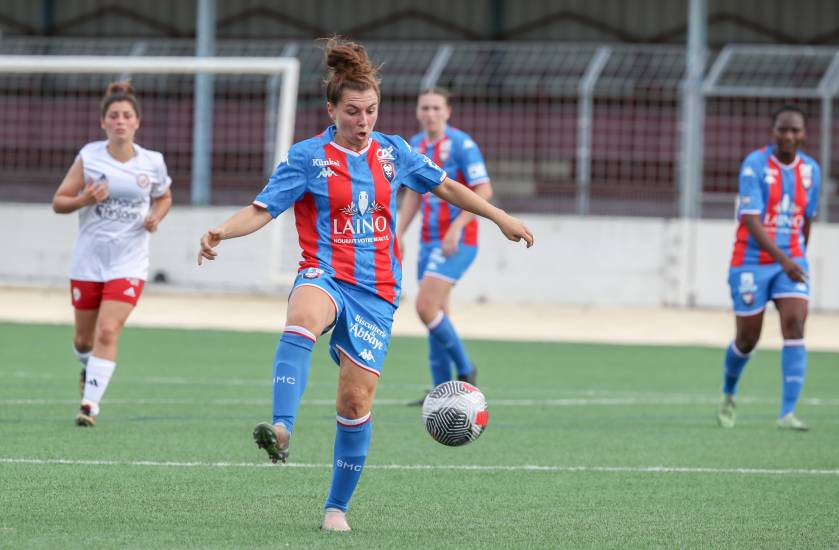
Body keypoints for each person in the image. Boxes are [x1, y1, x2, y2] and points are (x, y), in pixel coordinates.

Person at [197, 38, 533, 532]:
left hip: (376, 293)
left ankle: (336, 509)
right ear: (331, 109)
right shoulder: (308, 157)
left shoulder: (396, 152)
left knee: (355, 403)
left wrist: (500, 216)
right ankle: (283, 428)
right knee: (304, 318)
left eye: (371, 110)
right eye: (352, 111)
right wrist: (221, 230)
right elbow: (262, 210)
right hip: (326, 272)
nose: (363, 120)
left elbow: (447, 186)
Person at [52, 81, 173, 427]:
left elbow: (164, 197)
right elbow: (59, 202)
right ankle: (87, 366)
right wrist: (85, 199)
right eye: (114, 116)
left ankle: (89, 405)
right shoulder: (89, 157)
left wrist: (156, 216)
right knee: (83, 339)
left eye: (127, 115)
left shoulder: (153, 162)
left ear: (138, 121)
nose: (120, 121)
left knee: (108, 331)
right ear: (103, 122)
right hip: (89, 261)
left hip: (129, 261)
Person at [717, 105, 820, 431]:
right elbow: (750, 220)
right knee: (747, 339)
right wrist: (786, 259)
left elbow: (806, 221)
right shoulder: (755, 166)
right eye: (783, 130)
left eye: (795, 130)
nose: (789, 136)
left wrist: (798, 256)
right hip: (750, 262)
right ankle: (728, 394)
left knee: (794, 324)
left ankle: (787, 413)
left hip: (790, 262)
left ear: (804, 134)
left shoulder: (811, 171)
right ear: (773, 132)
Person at [397, 88, 492, 402]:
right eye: (425, 107)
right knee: (437, 315)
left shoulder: (462, 144)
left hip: (457, 241)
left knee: (425, 307)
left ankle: (466, 369)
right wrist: (399, 233)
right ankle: (441, 392)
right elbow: (412, 193)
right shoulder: (416, 145)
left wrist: (457, 225)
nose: (430, 113)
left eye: (437, 108)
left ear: (448, 112)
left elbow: (484, 190)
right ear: (417, 111)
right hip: (427, 241)